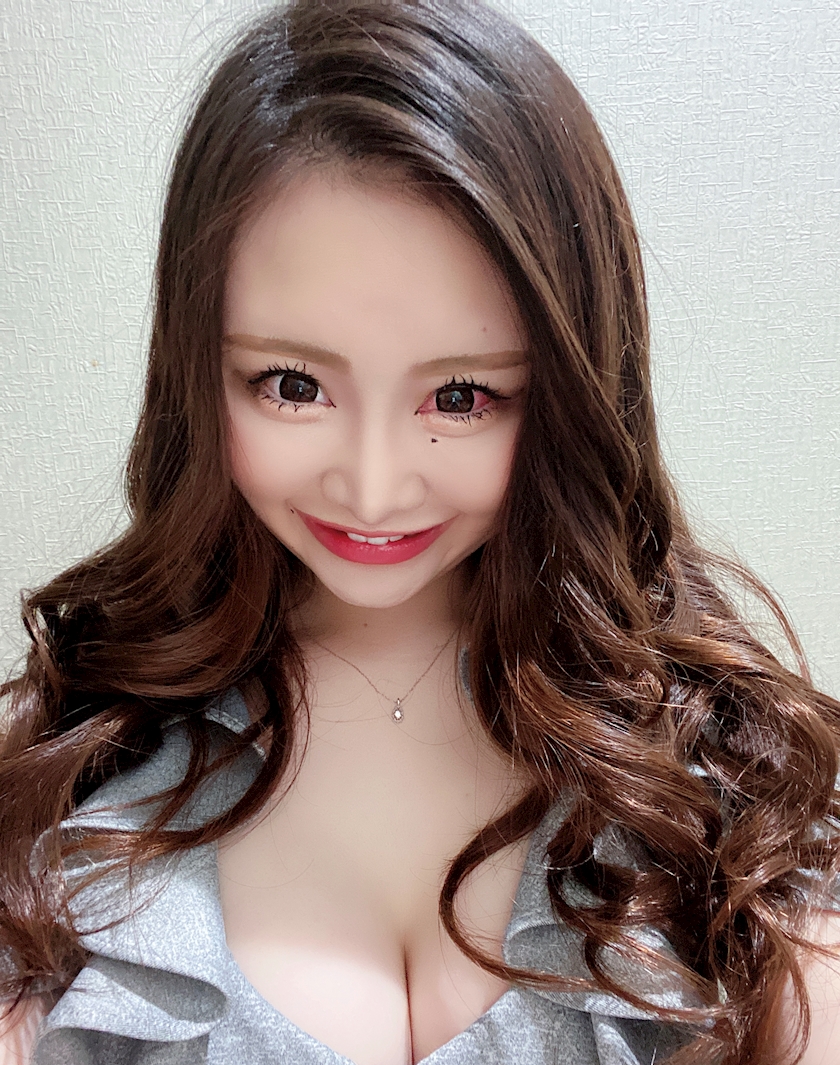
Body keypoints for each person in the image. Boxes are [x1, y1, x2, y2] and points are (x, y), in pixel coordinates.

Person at [1, 1, 839, 1062]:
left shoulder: (727, 794)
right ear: (197, 372)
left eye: (461, 397)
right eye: (292, 385)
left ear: (569, 394)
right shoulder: (70, 784)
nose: (374, 487)